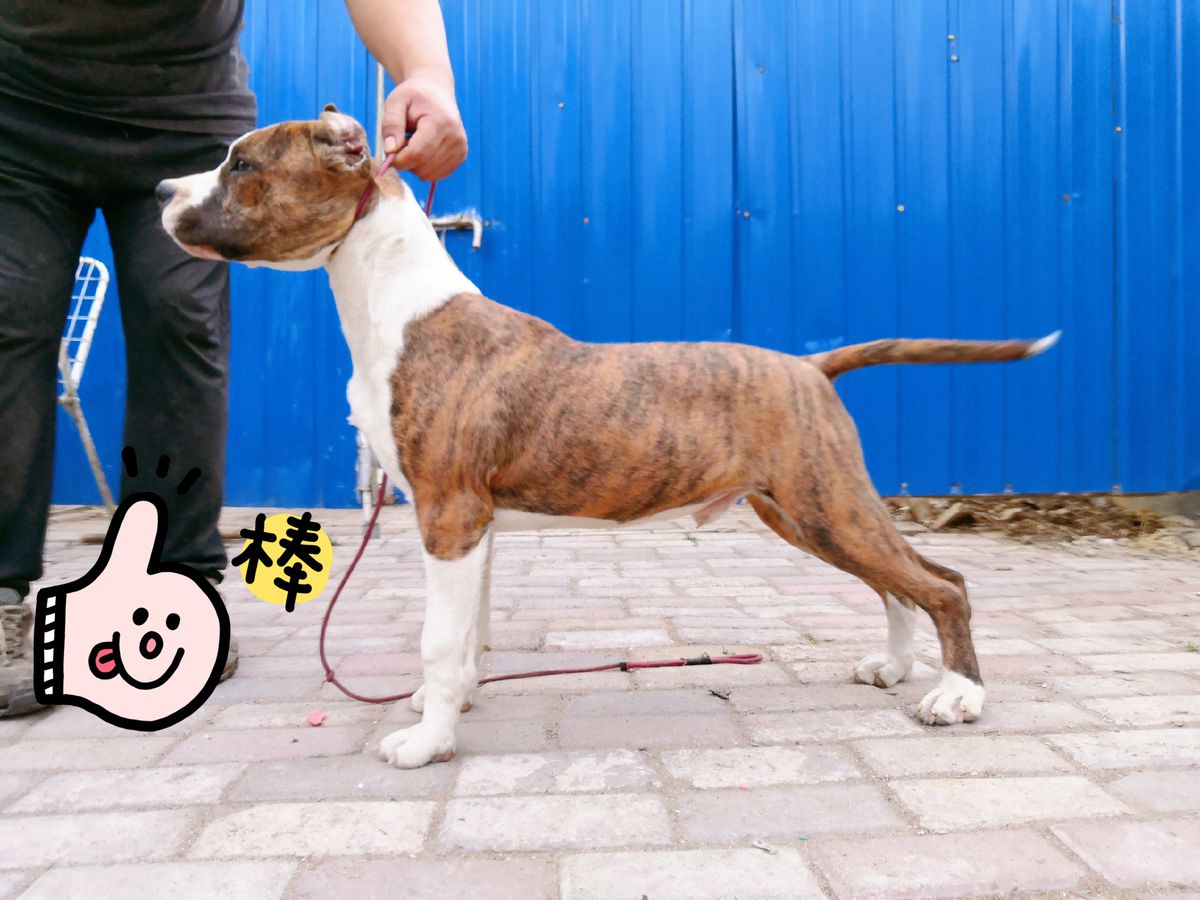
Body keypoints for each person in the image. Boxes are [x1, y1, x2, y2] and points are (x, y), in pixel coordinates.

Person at [0, 0, 468, 717]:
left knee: (179, 321)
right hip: (16, 103)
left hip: (181, 106)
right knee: (8, 317)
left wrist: (427, 73)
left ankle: (171, 586)